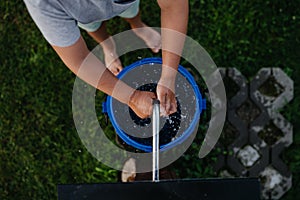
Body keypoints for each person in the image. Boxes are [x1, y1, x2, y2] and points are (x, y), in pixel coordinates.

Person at [23, 0, 189, 118]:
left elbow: (173, 6)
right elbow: (78, 59)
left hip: (126, 2)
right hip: (84, 14)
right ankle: (107, 44)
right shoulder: (43, 3)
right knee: (93, 26)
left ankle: (137, 26)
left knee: (130, 10)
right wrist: (131, 98)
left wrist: (169, 75)